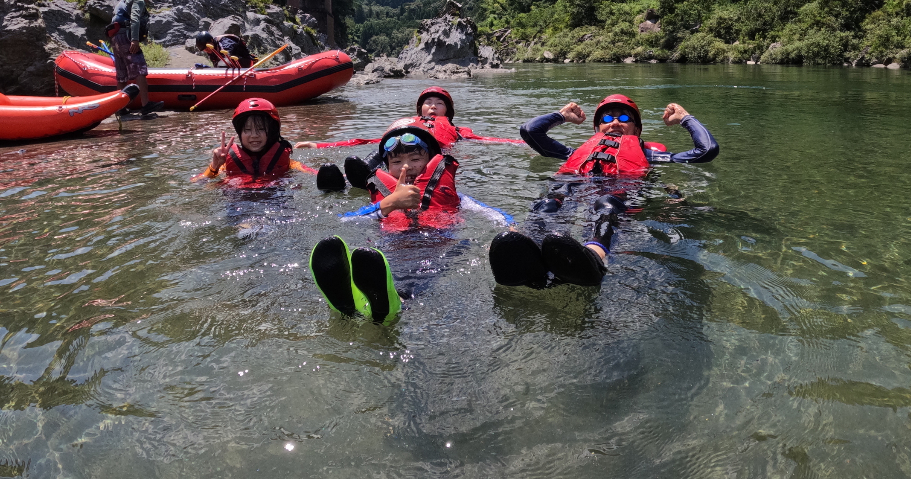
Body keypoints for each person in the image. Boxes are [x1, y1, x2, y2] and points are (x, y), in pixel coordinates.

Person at [489, 93, 719, 288]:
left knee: (607, 203)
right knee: (550, 202)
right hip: (576, 183)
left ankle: (594, 258)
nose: (615, 123)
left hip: (620, 190)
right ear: (597, 129)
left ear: (637, 130)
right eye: (607, 118)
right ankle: (528, 254)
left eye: (625, 118)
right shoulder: (574, 153)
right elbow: (530, 131)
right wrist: (562, 115)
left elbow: (707, 150)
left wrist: (685, 118)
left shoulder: (649, 155)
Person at [309, 125, 512, 323]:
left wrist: (510, 227)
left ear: (430, 160)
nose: (406, 167)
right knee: (375, 261)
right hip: (393, 244)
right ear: (387, 167)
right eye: (396, 162)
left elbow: (492, 213)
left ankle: (393, 301)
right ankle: (353, 296)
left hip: (437, 245)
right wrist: (389, 204)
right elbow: (345, 220)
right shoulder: (383, 202)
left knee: (435, 261)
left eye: (415, 159)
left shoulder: (455, 197)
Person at [295, 87, 522, 187]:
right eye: (428, 103)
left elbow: (486, 140)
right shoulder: (407, 125)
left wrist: (522, 143)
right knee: (385, 151)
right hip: (399, 152)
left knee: (414, 165)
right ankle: (345, 180)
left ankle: (367, 181)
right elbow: (371, 140)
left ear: (448, 111)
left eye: (439, 103)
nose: (433, 106)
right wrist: (319, 145)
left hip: (431, 156)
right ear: (420, 109)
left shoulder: (459, 129)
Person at [197, 98, 324, 183]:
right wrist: (215, 166)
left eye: (261, 129)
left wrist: (329, 176)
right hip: (239, 203)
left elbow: (311, 172)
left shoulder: (286, 161)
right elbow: (198, 183)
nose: (254, 135)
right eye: (247, 130)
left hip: (274, 200)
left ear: (272, 132)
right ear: (240, 133)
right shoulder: (226, 163)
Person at [106, 0, 163, 118]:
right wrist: (135, 40)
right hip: (126, 37)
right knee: (140, 69)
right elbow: (135, 19)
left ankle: (120, 108)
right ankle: (145, 105)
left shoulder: (124, 0)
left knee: (122, 74)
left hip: (115, 38)